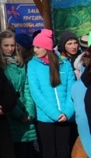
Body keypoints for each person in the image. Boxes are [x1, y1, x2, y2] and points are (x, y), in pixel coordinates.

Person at [27, 28, 75, 158]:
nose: (35, 50)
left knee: (63, 152)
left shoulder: (65, 64)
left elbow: (72, 91)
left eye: (38, 47)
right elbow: (36, 92)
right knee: (48, 153)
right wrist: (55, 114)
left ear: (46, 47)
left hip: (65, 116)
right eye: (34, 46)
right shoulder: (33, 65)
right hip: (45, 118)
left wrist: (66, 112)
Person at [0, 30, 37, 158]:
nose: (10, 48)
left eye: (13, 45)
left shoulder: (20, 62)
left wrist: (29, 111)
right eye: (6, 45)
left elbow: (27, 87)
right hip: (9, 114)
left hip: (25, 109)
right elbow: (2, 94)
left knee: (27, 150)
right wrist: (19, 114)